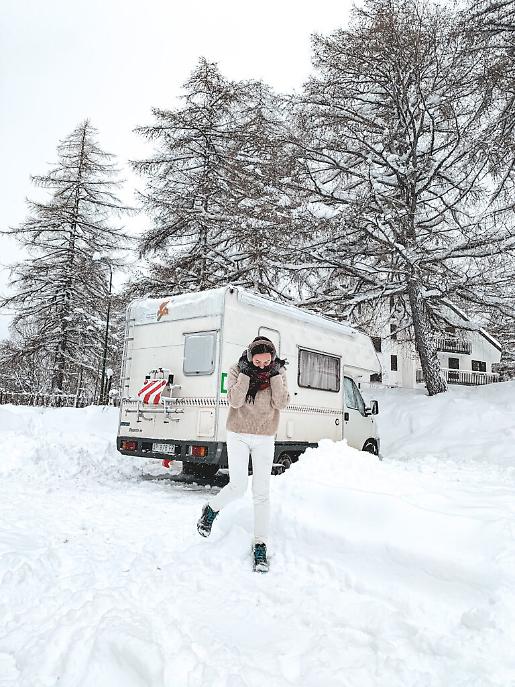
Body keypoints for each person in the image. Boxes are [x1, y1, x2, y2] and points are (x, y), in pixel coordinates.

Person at [197, 336, 290, 573]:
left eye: (267, 362)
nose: (262, 366)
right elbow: (235, 401)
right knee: (238, 486)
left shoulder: (278, 372)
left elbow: (281, 403)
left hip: (265, 436)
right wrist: (247, 375)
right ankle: (211, 509)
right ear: (250, 357)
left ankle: (260, 545)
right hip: (238, 433)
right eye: (257, 362)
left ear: (272, 358)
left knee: (262, 492)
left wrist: (275, 376)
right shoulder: (237, 370)